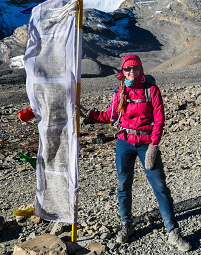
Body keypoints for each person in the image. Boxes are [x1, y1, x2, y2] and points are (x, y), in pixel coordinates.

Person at [78, 55, 191, 252]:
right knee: (123, 186)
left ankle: (173, 231)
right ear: (123, 71)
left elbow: (159, 120)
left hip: (146, 144)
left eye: (135, 68)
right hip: (124, 143)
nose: (132, 71)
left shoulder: (152, 90)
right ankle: (126, 225)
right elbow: (110, 116)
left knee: (160, 187)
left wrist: (154, 146)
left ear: (140, 70)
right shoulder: (120, 92)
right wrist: (90, 114)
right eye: (128, 69)